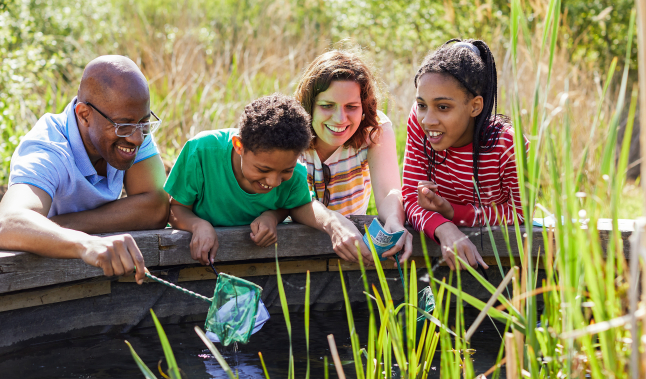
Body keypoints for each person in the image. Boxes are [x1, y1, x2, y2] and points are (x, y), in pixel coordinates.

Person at [0, 55, 170, 284]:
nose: (137, 138)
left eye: (145, 123)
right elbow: (8, 223)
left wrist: (60, 227)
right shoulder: (49, 148)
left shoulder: (132, 126)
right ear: (84, 115)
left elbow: (155, 206)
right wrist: (85, 243)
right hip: (12, 277)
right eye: (124, 126)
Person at [164, 93, 375, 265]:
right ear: (239, 146)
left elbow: (299, 205)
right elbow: (174, 209)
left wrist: (273, 217)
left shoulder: (296, 174)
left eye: (285, 171)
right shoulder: (202, 152)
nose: (274, 182)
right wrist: (197, 225)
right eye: (262, 169)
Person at [402, 39, 528, 270]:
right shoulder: (418, 125)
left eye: (443, 107)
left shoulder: (507, 145)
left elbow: (520, 212)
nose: (428, 119)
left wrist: (453, 213)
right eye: (422, 105)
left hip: (500, 266)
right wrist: (444, 227)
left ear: (475, 106)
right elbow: (410, 197)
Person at [294, 49, 410, 264]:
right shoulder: (291, 132)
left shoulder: (374, 131)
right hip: (295, 252)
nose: (340, 119)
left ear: (364, 107)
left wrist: (394, 220)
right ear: (309, 106)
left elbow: (387, 191)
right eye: (327, 106)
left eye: (351, 107)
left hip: (352, 256)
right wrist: (333, 222)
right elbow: (295, 200)